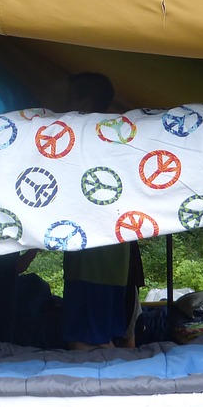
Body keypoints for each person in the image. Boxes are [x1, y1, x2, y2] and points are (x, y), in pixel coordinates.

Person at [58, 72, 142, 349]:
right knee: (106, 335)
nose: (64, 102)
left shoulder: (82, 139)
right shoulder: (119, 137)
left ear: (86, 100)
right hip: (113, 260)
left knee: (85, 340)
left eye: (70, 96)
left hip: (92, 260)